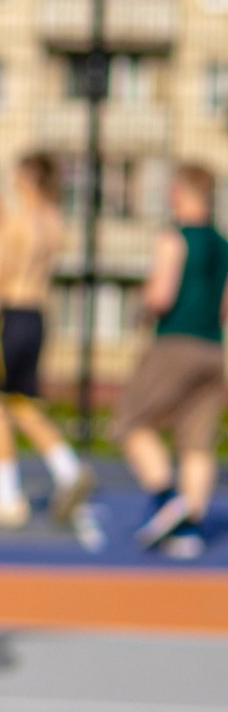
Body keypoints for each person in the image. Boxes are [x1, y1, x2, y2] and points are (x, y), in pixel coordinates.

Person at [0, 152, 85, 530]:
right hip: (37, 316)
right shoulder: (54, 221)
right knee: (20, 402)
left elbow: (1, 274)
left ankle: (5, 498)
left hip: (10, 316)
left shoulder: (18, 221)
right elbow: (32, 257)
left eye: (18, 172)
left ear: (30, 176)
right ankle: (69, 470)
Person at [112, 160, 228, 557]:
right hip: (213, 348)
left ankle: (166, 499)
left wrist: (142, 306)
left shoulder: (174, 237)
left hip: (174, 342)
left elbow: (161, 294)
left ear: (181, 192)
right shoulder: (222, 243)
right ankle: (188, 529)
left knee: (131, 422)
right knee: (197, 439)